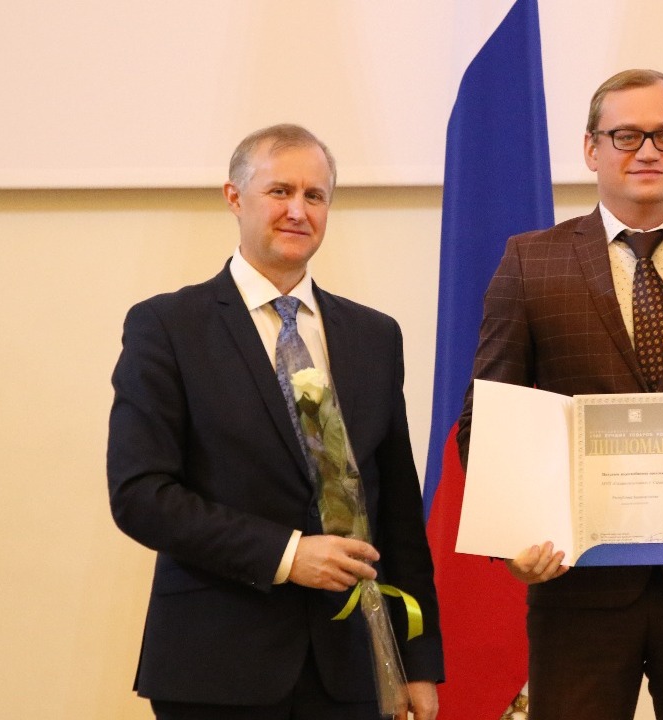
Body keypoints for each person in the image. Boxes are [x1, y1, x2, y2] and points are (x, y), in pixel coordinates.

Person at [455, 69, 663, 720]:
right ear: (591, 149)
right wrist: (514, 539)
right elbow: (486, 425)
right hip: (576, 585)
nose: (647, 151)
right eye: (626, 135)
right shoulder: (530, 262)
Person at [108, 124, 442, 720]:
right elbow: (141, 495)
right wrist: (287, 555)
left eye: (315, 196)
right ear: (234, 197)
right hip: (217, 667)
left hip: (353, 670)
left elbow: (395, 507)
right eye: (280, 191)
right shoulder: (168, 327)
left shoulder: (373, 335)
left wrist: (416, 661)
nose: (298, 211)